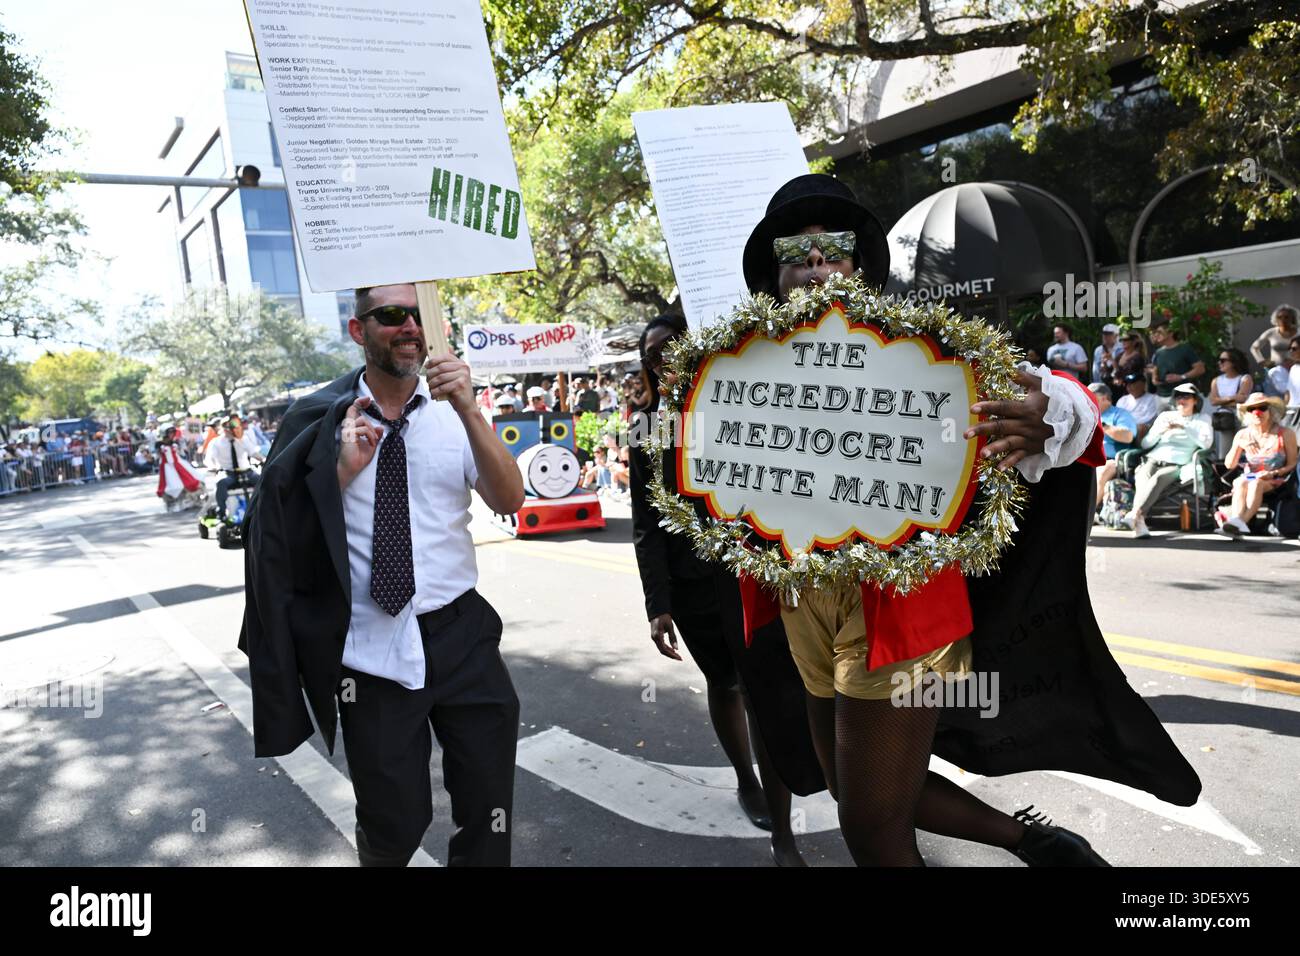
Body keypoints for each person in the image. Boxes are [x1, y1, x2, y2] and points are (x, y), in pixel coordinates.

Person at [712, 173, 1199, 866]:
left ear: (861, 265)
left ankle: (1034, 842)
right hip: (802, 607)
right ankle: (1035, 842)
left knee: (873, 834)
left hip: (903, 612)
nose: (817, 262)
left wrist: (1050, 412)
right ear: (774, 272)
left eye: (836, 247)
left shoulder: (920, 348)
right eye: (796, 250)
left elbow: (1061, 401)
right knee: (852, 794)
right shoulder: (746, 367)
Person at [240, 283, 525, 867]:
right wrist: (339, 474)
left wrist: (470, 408)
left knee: (488, 804)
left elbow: (509, 498)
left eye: (419, 315)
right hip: (370, 652)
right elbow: (274, 538)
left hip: (462, 635)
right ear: (358, 330)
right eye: (392, 315)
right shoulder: (318, 420)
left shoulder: (456, 413)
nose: (409, 327)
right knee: (393, 820)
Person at [631, 312, 821, 866]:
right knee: (727, 681)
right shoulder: (648, 427)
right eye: (653, 355)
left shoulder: (742, 404)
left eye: (674, 347)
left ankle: (783, 833)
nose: (665, 360)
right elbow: (647, 523)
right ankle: (747, 779)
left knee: (766, 692)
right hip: (693, 589)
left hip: (755, 575)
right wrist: (657, 603)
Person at [1122, 383, 1213, 538]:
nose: (1181, 400)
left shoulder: (1202, 419)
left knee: (1158, 479)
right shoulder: (1165, 416)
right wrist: (1159, 432)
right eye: (1178, 396)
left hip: (1177, 464)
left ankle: (1135, 513)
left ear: (1195, 400)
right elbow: (1145, 444)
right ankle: (1140, 521)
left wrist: (1184, 428)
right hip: (1153, 459)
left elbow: (1206, 444)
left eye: (1186, 396)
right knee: (1142, 478)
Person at [1217, 394, 1297, 537]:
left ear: (1270, 411)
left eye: (1262, 408)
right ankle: (1237, 522)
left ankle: (1240, 523)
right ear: (1247, 413)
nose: (1257, 412)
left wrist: (1273, 473)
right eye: (1252, 409)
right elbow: (1229, 465)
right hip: (1249, 477)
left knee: (1255, 484)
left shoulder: (1285, 433)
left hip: (1277, 478)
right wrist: (1238, 445)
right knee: (1240, 481)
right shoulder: (1243, 434)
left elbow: (1292, 464)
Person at [1087, 382, 1137, 511]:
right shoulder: (1086, 414)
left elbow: (1128, 436)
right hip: (1085, 458)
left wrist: (1102, 425)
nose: (1086, 399)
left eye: (1090, 396)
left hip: (1111, 459)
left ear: (1104, 398)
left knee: (1101, 471)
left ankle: (1087, 513)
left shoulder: (1120, 414)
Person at [204, 416, 265, 519]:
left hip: (246, 472)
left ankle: (264, 508)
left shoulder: (243, 439)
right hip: (228, 473)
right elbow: (209, 459)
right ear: (224, 428)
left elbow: (254, 453)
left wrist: (264, 460)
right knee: (221, 483)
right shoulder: (216, 442)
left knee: (262, 480)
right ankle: (222, 512)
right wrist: (213, 467)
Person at [1209, 347, 1253, 459]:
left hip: (1242, 417)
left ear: (1233, 362)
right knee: (1225, 450)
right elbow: (1213, 400)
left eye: (1223, 360)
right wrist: (1233, 398)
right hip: (1224, 418)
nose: (1220, 363)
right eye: (1219, 360)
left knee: (1244, 448)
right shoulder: (1216, 380)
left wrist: (1222, 400)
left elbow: (1242, 398)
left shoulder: (1245, 378)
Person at [1148, 321, 1205, 405]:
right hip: (1160, 397)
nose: (1156, 335)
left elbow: (1200, 369)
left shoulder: (1184, 349)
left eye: (1160, 332)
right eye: (1156, 332)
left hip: (1181, 396)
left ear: (1171, 333)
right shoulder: (1158, 352)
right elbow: (1155, 368)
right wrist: (1154, 377)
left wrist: (1181, 377)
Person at [156, 426, 202, 509]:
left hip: (178, 464)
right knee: (172, 485)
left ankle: (189, 500)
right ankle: (173, 503)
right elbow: (160, 455)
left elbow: (182, 452)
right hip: (167, 467)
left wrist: (190, 443)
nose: (172, 434)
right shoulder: (159, 444)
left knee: (190, 480)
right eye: (169, 432)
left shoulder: (175, 443)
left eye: (173, 432)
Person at [1250, 304, 1298, 370]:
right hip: (1274, 370)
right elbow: (1254, 348)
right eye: (1279, 317)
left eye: (1286, 317)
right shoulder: (1271, 333)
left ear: (1293, 318)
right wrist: (1261, 361)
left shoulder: (1298, 333)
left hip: (1296, 370)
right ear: (1276, 319)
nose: (1283, 319)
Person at [1118, 371, 1161, 440]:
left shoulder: (1153, 399)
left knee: (1140, 428)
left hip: (1144, 430)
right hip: (1123, 428)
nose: (1129, 386)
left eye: (1133, 383)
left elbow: (1147, 420)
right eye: (1127, 383)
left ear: (1143, 384)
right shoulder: (1122, 400)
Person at [1091, 323, 1124, 390]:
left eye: (1109, 334)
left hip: (1119, 385)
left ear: (1116, 335)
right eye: (1104, 334)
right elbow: (1096, 371)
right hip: (1102, 385)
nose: (1105, 336)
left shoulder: (1123, 348)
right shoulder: (1098, 350)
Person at [1287, 336, 1300, 428]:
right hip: (1292, 412)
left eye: (1294, 348)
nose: (1291, 351)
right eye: (1290, 349)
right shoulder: (1293, 369)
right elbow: (1288, 392)